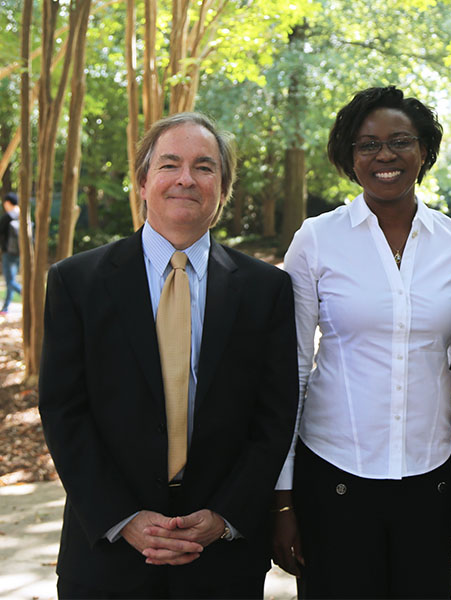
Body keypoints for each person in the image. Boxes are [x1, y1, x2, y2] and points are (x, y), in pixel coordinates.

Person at [38, 112, 299, 599]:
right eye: (169, 164)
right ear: (141, 182)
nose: (185, 178)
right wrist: (125, 518)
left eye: (204, 167)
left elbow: (276, 413)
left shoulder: (267, 289)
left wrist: (225, 517)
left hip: (221, 554)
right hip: (108, 549)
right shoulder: (77, 282)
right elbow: (62, 409)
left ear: (223, 188)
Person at [270, 86, 451, 598]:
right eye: (367, 145)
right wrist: (282, 499)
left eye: (400, 141)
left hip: (430, 479)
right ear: (350, 156)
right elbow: (293, 370)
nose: (384, 155)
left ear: (424, 151)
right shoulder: (317, 239)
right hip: (333, 474)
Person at [0, 191, 23, 315]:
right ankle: (5, 308)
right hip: (19, 252)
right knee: (11, 279)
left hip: (8, 252)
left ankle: (26, 294)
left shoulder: (7, 216)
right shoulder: (22, 214)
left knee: (10, 281)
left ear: (8, 203)